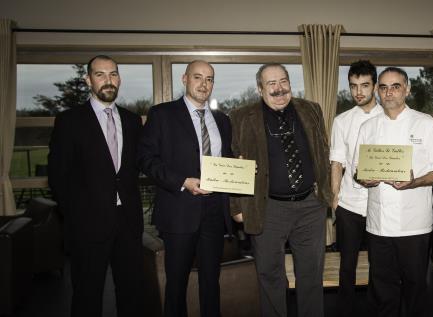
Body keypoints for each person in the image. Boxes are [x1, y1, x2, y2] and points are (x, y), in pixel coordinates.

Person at [229, 63, 332, 317]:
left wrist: (326, 192)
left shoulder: (311, 109)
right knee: (270, 274)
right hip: (268, 207)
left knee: (311, 274)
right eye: (271, 84)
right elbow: (232, 163)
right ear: (259, 88)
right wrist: (237, 207)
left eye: (283, 81)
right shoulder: (241, 116)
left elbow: (322, 150)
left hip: (310, 205)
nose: (279, 89)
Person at [48, 55, 143, 317]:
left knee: (131, 294)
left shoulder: (133, 121)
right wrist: (77, 216)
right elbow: (58, 176)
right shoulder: (69, 121)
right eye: (100, 75)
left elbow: (142, 164)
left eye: (113, 74)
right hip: (87, 227)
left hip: (128, 224)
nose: (108, 80)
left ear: (119, 79)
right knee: (87, 296)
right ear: (88, 80)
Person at [137, 60, 233, 317]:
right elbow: (146, 159)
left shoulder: (222, 120)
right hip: (179, 211)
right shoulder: (162, 114)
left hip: (214, 212)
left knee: (211, 282)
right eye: (198, 77)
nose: (204, 84)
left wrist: (241, 168)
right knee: (177, 283)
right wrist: (183, 181)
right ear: (184, 79)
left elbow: (227, 160)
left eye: (210, 79)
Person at [354, 67, 433, 317]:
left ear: (407, 89)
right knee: (382, 289)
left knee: (415, 288)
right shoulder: (368, 127)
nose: (389, 92)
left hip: (413, 225)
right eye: (383, 87)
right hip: (378, 225)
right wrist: (365, 178)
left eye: (395, 86)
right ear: (377, 91)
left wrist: (415, 181)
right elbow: (357, 170)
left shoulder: (426, 124)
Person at [329, 60, 383, 316]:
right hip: (349, 204)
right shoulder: (341, 121)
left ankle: (376, 308)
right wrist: (335, 198)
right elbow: (337, 161)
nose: (358, 92)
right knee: (347, 265)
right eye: (353, 86)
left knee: (380, 264)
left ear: (375, 85)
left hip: (381, 203)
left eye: (364, 85)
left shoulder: (389, 117)